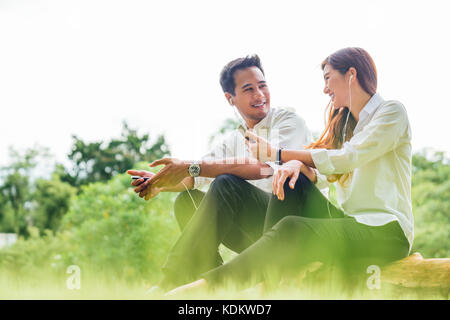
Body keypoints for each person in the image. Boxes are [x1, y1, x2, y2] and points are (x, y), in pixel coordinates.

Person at [165, 47, 413, 295]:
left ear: (350, 74)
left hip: (386, 231)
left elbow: (348, 158)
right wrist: (298, 166)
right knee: (289, 179)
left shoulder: (391, 112)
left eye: (328, 78)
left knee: (291, 225)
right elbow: (326, 173)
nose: (325, 88)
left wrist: (279, 155)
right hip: (348, 223)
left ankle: (206, 288)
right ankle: (263, 276)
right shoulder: (344, 124)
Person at [127, 54, 311, 290]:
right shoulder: (234, 139)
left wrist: (190, 165)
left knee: (227, 183)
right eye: (249, 89)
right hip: (258, 232)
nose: (259, 95)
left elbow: (265, 169)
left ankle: (170, 281)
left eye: (262, 86)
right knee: (187, 201)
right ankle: (206, 280)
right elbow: (195, 176)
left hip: (292, 225)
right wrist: (159, 183)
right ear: (230, 98)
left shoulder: (288, 121)